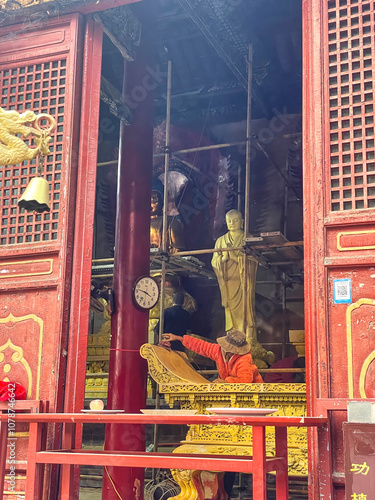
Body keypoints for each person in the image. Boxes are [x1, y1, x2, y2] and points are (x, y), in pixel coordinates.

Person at [211, 210, 257, 342]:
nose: (232, 223)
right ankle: (233, 337)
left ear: (242, 222)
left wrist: (234, 257)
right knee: (229, 308)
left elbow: (254, 260)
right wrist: (224, 258)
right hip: (228, 282)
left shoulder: (248, 238)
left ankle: (248, 338)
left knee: (246, 307)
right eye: (229, 221)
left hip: (244, 282)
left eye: (235, 220)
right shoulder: (221, 241)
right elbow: (214, 261)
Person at [162, 329, 263, 384]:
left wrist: (226, 382)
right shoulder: (219, 350)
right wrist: (179, 338)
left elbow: (245, 380)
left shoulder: (244, 359)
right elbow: (201, 346)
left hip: (251, 394)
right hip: (228, 390)